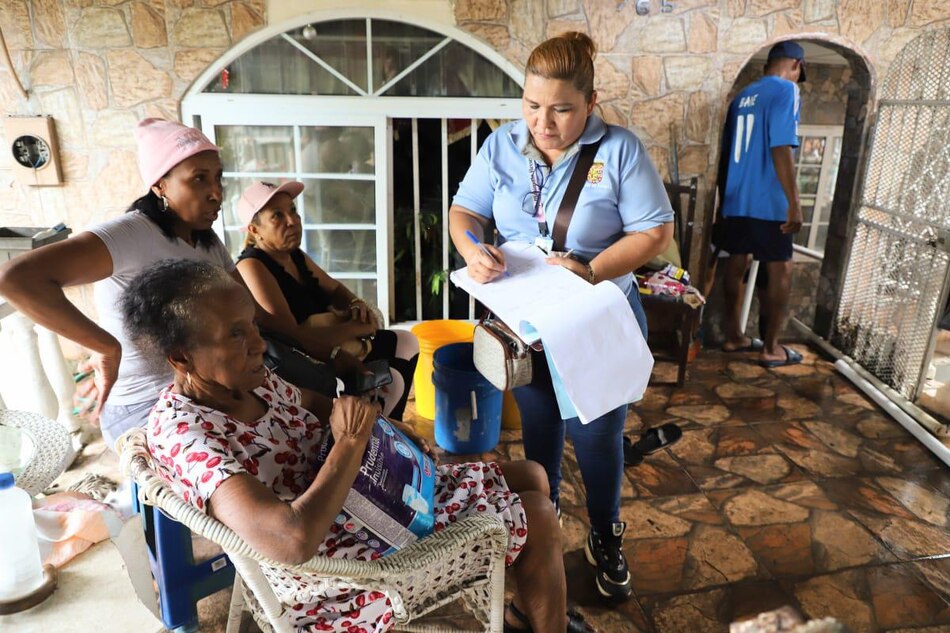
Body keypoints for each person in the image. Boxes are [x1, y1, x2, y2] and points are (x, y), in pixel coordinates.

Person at [120, 259, 588, 633]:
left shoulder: (247, 381)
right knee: (538, 512)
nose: (258, 344)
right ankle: (541, 619)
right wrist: (351, 440)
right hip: (338, 569)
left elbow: (315, 403)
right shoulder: (188, 436)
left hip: (363, 500)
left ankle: (525, 616)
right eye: (236, 334)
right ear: (181, 358)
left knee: (532, 476)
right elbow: (291, 540)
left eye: (253, 326)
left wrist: (385, 428)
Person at [448, 32, 674, 600]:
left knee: (596, 438)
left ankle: (605, 536)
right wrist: (473, 250)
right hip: (529, 324)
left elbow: (655, 231)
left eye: (561, 109)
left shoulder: (619, 150)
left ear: (591, 103)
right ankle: (540, 531)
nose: (542, 123)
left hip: (596, 321)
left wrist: (590, 270)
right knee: (541, 430)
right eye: (531, 105)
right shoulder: (500, 146)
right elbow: (464, 212)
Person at [0, 118, 365, 448]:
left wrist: (331, 354)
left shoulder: (206, 242)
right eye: (198, 178)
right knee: (273, 456)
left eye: (218, 177)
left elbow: (259, 317)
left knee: (314, 417)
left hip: (209, 390)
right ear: (160, 184)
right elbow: (17, 279)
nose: (216, 192)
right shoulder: (130, 235)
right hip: (147, 405)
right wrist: (105, 347)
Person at [235, 180, 419, 419]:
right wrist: (354, 327)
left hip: (337, 341)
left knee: (406, 342)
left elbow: (334, 289)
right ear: (254, 230)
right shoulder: (251, 266)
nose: (292, 221)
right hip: (312, 362)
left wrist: (356, 305)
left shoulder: (294, 255)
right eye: (277, 216)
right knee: (392, 381)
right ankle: (378, 437)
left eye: (293, 210)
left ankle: (389, 429)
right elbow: (292, 337)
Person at [715, 41, 806, 368]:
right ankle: (771, 348)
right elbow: (782, 146)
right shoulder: (786, 91)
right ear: (795, 65)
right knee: (781, 268)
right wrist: (794, 203)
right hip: (768, 203)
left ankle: (733, 336)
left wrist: (723, 203)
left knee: (736, 263)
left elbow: (725, 156)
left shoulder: (741, 98)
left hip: (736, 199)